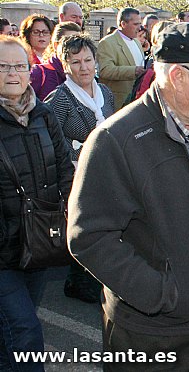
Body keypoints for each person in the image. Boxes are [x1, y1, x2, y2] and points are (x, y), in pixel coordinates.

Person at [67, 23, 189, 370]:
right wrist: (161, 295)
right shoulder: (116, 140)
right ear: (178, 77)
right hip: (151, 336)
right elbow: (89, 237)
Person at [0, 35, 74, 371]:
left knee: (11, 335)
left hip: (38, 244)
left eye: (18, 66)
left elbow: (64, 171)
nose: (11, 73)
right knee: (26, 333)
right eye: (2, 67)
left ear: (30, 72)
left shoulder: (43, 115)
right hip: (2, 254)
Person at [45, 34, 116, 304]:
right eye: (75, 62)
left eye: (88, 60)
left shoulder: (105, 92)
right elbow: (52, 138)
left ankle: (95, 277)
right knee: (85, 226)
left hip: (106, 170)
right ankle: (77, 281)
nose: (83, 67)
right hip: (78, 173)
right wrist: (80, 152)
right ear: (65, 65)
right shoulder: (59, 98)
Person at [96, 7, 146, 108]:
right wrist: (134, 71)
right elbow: (105, 71)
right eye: (136, 24)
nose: (139, 28)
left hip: (137, 101)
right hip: (117, 103)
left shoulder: (136, 41)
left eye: (140, 24)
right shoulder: (107, 42)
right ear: (123, 24)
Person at [29, 21, 82, 100]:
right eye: (69, 43)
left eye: (80, 43)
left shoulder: (84, 72)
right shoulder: (39, 73)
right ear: (56, 45)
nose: (76, 47)